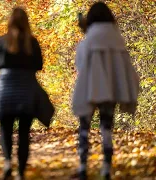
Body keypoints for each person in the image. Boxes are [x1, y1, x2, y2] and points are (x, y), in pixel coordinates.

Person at [72, 2, 139, 180]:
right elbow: (124, 67)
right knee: (107, 128)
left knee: (84, 128)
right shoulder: (117, 39)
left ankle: (83, 168)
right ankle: (107, 169)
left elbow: (80, 62)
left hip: (89, 88)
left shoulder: (89, 38)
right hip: (110, 90)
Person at [0, 7, 49, 180]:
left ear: (10, 22)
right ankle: (21, 172)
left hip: (6, 88)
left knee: (5, 129)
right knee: (24, 132)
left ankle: (8, 161)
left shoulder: (2, 41)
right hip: (27, 88)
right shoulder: (32, 42)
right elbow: (39, 65)